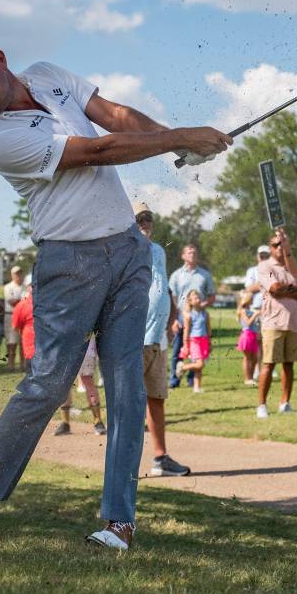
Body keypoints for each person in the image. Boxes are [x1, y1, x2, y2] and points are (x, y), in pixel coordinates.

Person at [0, 24, 230, 549]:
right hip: (68, 262)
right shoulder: (1, 139)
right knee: (47, 383)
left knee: (127, 387)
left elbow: (113, 116)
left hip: (129, 250)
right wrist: (181, 138)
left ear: (0, 58)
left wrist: (175, 143)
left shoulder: (46, 75)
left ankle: (119, 522)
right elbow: (96, 151)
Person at [133, 202, 190, 477]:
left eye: (147, 219)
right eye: (139, 219)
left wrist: (172, 319)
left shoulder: (158, 251)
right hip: (133, 340)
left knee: (156, 398)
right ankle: (123, 464)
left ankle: (160, 458)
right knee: (128, 403)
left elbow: (163, 288)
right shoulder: (124, 251)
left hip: (158, 339)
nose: (144, 223)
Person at [256, 229, 297, 419]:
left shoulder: (292, 267)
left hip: (293, 322)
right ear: (270, 248)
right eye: (275, 245)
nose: (279, 247)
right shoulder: (265, 266)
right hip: (273, 322)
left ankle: (285, 402)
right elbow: (274, 288)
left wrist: (287, 291)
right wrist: (294, 290)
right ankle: (262, 405)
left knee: (289, 365)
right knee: (269, 364)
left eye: (282, 244)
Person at [168, 244, 215, 389]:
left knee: (196, 352)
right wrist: (174, 319)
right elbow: (172, 299)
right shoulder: (176, 275)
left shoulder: (204, 275)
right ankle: (174, 381)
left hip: (197, 317)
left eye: (194, 252)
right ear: (183, 256)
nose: (192, 254)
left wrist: (202, 305)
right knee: (178, 350)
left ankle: (190, 381)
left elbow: (212, 296)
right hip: (181, 317)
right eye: (189, 252)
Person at [55, 337, 106, 436]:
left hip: (84, 346)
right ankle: (65, 423)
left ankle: (98, 421)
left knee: (87, 381)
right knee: (64, 382)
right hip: (65, 346)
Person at [175, 290, 210, 392]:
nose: (198, 299)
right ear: (190, 301)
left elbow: (208, 328)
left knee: (200, 366)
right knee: (199, 364)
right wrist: (186, 345)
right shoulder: (188, 315)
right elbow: (186, 331)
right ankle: (183, 367)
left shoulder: (205, 313)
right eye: (195, 298)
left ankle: (196, 387)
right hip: (194, 341)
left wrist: (209, 342)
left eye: (198, 297)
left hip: (204, 341)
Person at [243, 244, 269, 376]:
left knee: (266, 340)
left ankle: (265, 368)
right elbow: (249, 288)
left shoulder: (273, 269)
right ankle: (256, 369)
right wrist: (264, 283)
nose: (264, 258)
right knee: (256, 341)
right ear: (258, 257)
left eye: (266, 255)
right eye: (262, 255)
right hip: (255, 309)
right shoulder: (252, 271)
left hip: (269, 309)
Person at [236, 291, 260, 386]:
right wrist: (255, 315)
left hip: (253, 335)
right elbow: (248, 323)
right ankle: (247, 379)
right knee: (247, 358)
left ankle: (251, 377)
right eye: (251, 298)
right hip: (247, 335)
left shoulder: (250, 310)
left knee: (254, 358)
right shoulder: (243, 311)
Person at [3, 266, 25, 369]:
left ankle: (22, 364)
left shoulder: (26, 287)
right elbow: (12, 302)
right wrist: (23, 301)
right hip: (11, 316)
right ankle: (11, 364)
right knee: (11, 342)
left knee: (23, 342)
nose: (18, 275)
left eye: (20, 273)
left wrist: (21, 301)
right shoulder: (8, 287)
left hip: (24, 317)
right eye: (16, 274)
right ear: (12, 275)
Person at [11, 287, 34, 373]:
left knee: (32, 376)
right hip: (48, 347)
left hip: (30, 346)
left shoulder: (21, 305)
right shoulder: (48, 304)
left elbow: (15, 327)